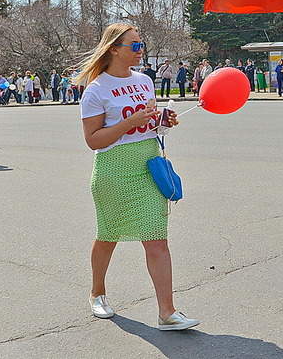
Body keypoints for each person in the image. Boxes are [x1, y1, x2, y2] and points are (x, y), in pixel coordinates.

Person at [76, 23, 199, 331]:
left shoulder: (144, 81)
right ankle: (97, 292)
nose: (140, 49)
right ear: (114, 50)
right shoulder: (96, 90)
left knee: (157, 239)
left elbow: (151, 127)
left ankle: (166, 312)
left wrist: (163, 121)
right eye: (134, 45)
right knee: (108, 236)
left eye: (141, 44)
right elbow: (93, 140)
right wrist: (128, 122)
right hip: (113, 171)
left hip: (148, 165)